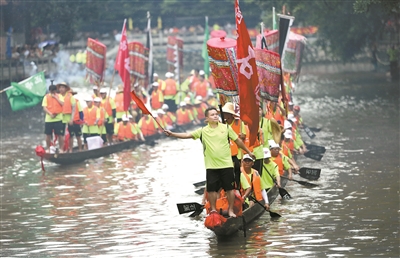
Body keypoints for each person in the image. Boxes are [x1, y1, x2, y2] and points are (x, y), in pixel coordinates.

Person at [164, 107, 255, 218]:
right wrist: (172, 134)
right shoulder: (203, 131)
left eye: (216, 114)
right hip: (211, 166)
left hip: (227, 164)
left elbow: (238, 141)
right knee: (211, 190)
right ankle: (213, 211)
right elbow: (188, 135)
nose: (215, 116)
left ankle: (231, 210)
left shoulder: (226, 128)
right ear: (207, 119)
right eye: (212, 115)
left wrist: (249, 152)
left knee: (229, 189)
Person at [42, 84, 64, 153]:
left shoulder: (59, 96)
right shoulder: (46, 97)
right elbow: (44, 107)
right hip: (49, 119)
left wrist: (56, 97)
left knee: (60, 134)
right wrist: (50, 114)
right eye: (52, 91)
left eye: (54, 91)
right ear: (50, 91)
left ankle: (61, 149)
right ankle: (48, 148)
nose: (53, 93)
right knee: (48, 134)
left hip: (58, 118)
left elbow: (62, 104)